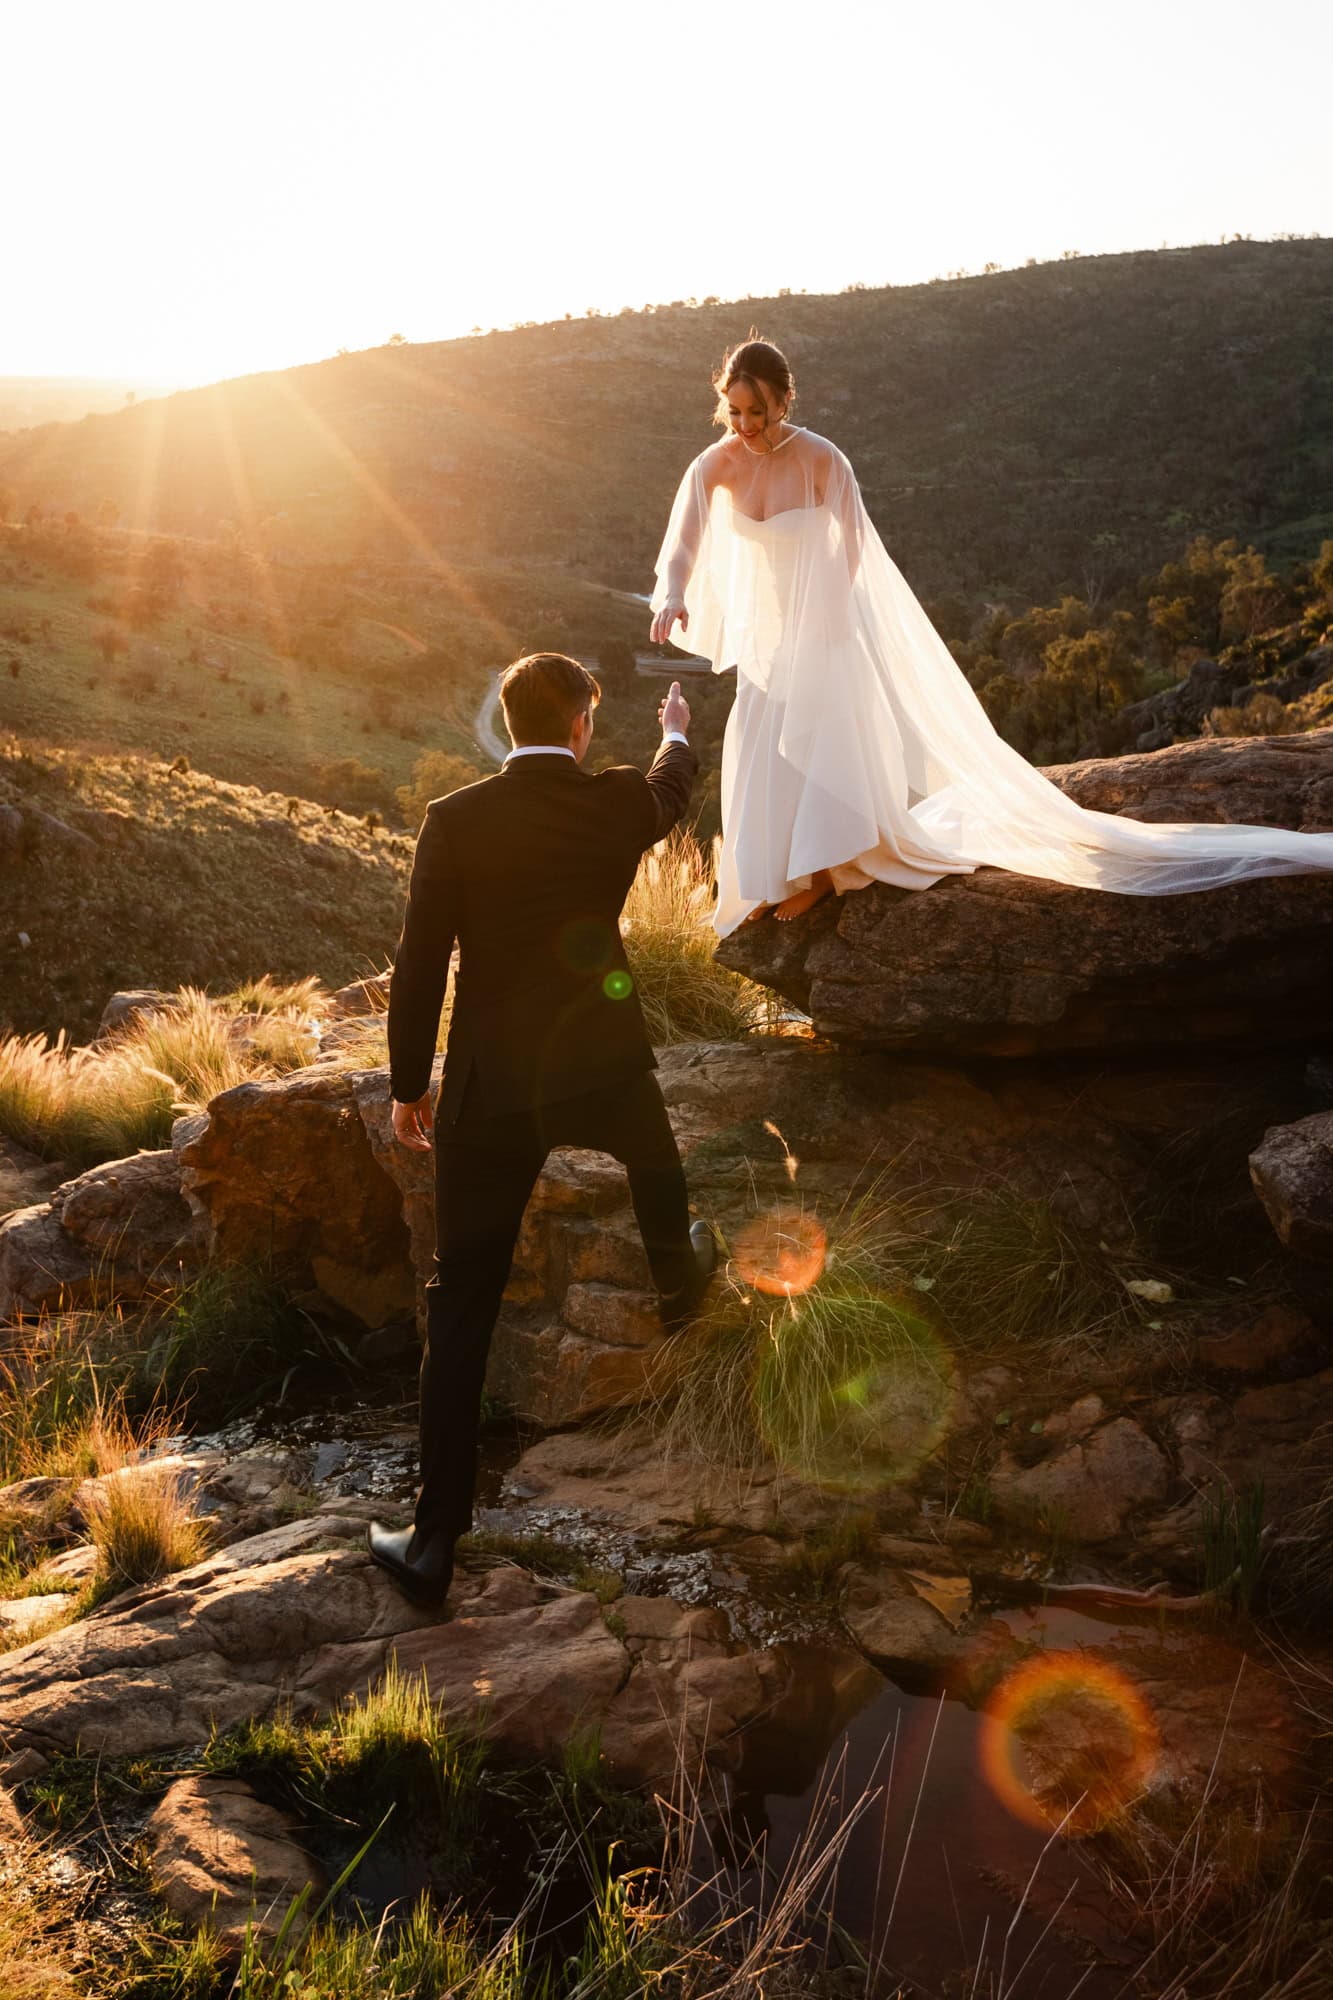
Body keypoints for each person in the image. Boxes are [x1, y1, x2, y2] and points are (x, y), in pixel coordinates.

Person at [650, 335, 1333, 936]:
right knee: (763, 745)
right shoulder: (715, 464)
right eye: (733, 412)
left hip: (824, 628)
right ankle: (777, 880)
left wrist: (822, 615)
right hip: (770, 642)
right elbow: (684, 542)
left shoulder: (824, 460)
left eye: (757, 412)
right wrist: (673, 595)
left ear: (785, 401)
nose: (744, 426)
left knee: (823, 742)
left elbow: (854, 548)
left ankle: (827, 874)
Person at [368, 653, 717, 1609]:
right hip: (601, 1060)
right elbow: (667, 795)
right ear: (579, 727)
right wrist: (677, 728)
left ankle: (435, 1538)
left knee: (462, 1299)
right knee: (656, 1165)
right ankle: (684, 1295)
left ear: (508, 720)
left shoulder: (456, 820)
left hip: (491, 1086)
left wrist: (409, 1085)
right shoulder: (608, 802)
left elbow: (419, 964)